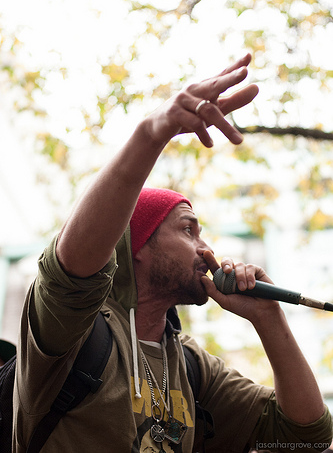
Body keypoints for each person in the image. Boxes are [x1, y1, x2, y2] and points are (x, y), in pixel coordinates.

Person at [12, 54, 332, 452]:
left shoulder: (194, 367)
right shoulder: (73, 331)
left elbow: (305, 438)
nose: (206, 248)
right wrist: (153, 132)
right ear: (138, 247)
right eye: (188, 229)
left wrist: (269, 319)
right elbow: (71, 269)